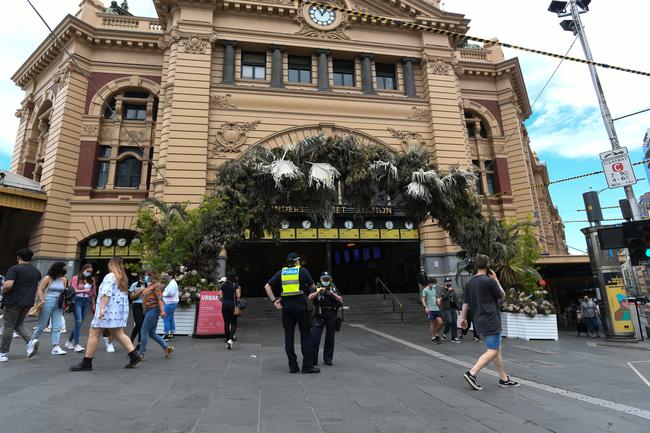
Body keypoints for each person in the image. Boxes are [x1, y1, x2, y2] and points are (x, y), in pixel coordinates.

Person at [70, 257, 142, 371]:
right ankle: (133, 355)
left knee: (94, 332)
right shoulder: (123, 278)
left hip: (107, 310)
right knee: (118, 332)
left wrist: (102, 309)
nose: (108, 264)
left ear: (112, 264)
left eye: (109, 262)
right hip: (118, 311)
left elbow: (106, 293)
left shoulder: (110, 276)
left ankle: (87, 362)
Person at [460, 254, 519, 390]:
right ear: (487, 266)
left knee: (496, 348)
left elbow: (466, 302)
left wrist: (463, 318)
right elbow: (502, 295)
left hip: (478, 319)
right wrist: (496, 279)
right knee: (492, 350)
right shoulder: (489, 281)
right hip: (491, 319)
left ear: (476, 265)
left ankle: (503, 378)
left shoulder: (469, 282)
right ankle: (472, 373)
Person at [264, 252, 319, 374]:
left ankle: (293, 366)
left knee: (289, 337)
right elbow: (313, 287)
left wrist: (274, 301)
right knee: (306, 335)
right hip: (301, 306)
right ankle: (307, 366)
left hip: (287, 307)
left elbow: (267, 286)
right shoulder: (302, 271)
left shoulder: (281, 272)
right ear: (297, 261)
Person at [0, 249, 42, 362]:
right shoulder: (36, 271)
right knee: (18, 323)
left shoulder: (14, 269)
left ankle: (3, 353)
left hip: (13, 301)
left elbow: (8, 285)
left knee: (8, 326)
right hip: (28, 302)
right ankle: (30, 341)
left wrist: (2, 291)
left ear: (18, 257)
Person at [28, 262, 69, 356]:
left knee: (57, 326)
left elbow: (63, 293)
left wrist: (64, 303)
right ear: (58, 268)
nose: (65, 269)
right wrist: (42, 299)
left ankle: (56, 347)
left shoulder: (64, 279)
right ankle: (31, 343)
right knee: (41, 326)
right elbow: (39, 289)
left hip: (58, 303)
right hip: (47, 302)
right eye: (63, 268)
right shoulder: (48, 278)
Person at [309, 271, 343, 366]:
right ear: (320, 279)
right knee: (315, 337)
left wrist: (332, 294)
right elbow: (310, 297)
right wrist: (318, 291)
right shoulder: (316, 287)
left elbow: (340, 299)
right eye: (324, 279)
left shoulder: (333, 287)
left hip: (331, 314)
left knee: (330, 337)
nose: (326, 280)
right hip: (319, 313)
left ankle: (328, 358)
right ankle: (313, 359)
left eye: (327, 279)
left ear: (331, 279)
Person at [138, 271, 173, 359]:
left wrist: (162, 311)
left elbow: (160, 299)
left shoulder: (157, 286)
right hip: (149, 310)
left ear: (153, 276)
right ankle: (166, 348)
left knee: (144, 331)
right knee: (152, 333)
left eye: (148, 275)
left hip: (153, 310)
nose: (147, 277)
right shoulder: (151, 286)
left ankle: (141, 354)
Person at [64, 263, 96, 352]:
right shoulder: (76, 278)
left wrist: (93, 305)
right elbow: (73, 290)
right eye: (87, 271)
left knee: (79, 323)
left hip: (86, 301)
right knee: (78, 321)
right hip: (77, 300)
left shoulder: (91, 280)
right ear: (83, 270)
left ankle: (69, 342)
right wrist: (84, 290)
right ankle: (76, 344)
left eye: (90, 272)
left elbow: (93, 293)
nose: (89, 273)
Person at [219, 271, 241, 350]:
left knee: (226, 323)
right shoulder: (235, 285)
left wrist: (224, 301)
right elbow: (238, 296)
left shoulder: (223, 285)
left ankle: (227, 338)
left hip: (224, 305)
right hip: (233, 305)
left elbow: (220, 296)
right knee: (234, 323)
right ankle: (230, 340)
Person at [128, 272, 148, 349]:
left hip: (146, 306)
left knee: (142, 325)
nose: (144, 277)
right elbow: (131, 297)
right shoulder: (134, 284)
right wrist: (140, 291)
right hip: (137, 305)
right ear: (140, 276)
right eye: (143, 275)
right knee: (139, 324)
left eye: (146, 276)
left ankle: (139, 343)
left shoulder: (149, 285)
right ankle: (132, 338)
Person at [421, 277, 443, 343]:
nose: (434, 285)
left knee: (440, 322)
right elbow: (423, 299)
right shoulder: (425, 290)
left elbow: (435, 298)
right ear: (430, 283)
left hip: (436, 308)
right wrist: (426, 307)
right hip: (430, 309)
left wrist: (438, 300)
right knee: (433, 324)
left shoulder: (433, 290)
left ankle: (436, 334)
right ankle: (433, 337)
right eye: (433, 283)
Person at [440, 278, 461, 343]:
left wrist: (458, 308)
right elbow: (444, 297)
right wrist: (448, 291)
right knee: (449, 321)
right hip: (446, 309)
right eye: (447, 282)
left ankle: (454, 337)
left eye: (449, 282)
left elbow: (455, 299)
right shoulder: (442, 289)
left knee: (454, 323)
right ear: (445, 283)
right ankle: (444, 333)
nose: (448, 283)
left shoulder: (452, 290)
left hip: (453, 308)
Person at [162, 270, 179, 340]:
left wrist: (163, 294)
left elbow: (171, 293)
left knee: (166, 318)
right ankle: (171, 333)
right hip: (172, 303)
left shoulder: (172, 283)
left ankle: (166, 334)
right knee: (170, 317)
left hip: (170, 303)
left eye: (167, 275)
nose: (166, 277)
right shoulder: (173, 283)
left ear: (171, 276)